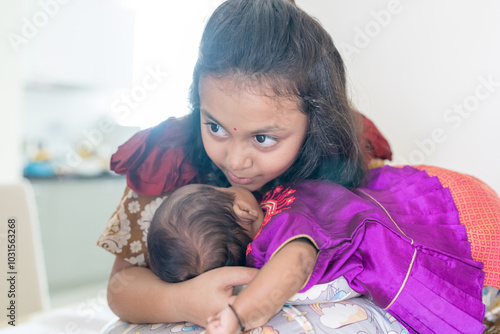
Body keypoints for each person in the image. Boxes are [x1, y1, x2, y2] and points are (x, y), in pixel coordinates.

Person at [146, 165, 498, 334]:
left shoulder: (272, 205)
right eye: (222, 191)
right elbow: (296, 260)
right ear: (240, 210)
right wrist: (242, 314)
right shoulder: (274, 234)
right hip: (405, 226)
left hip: (392, 208)